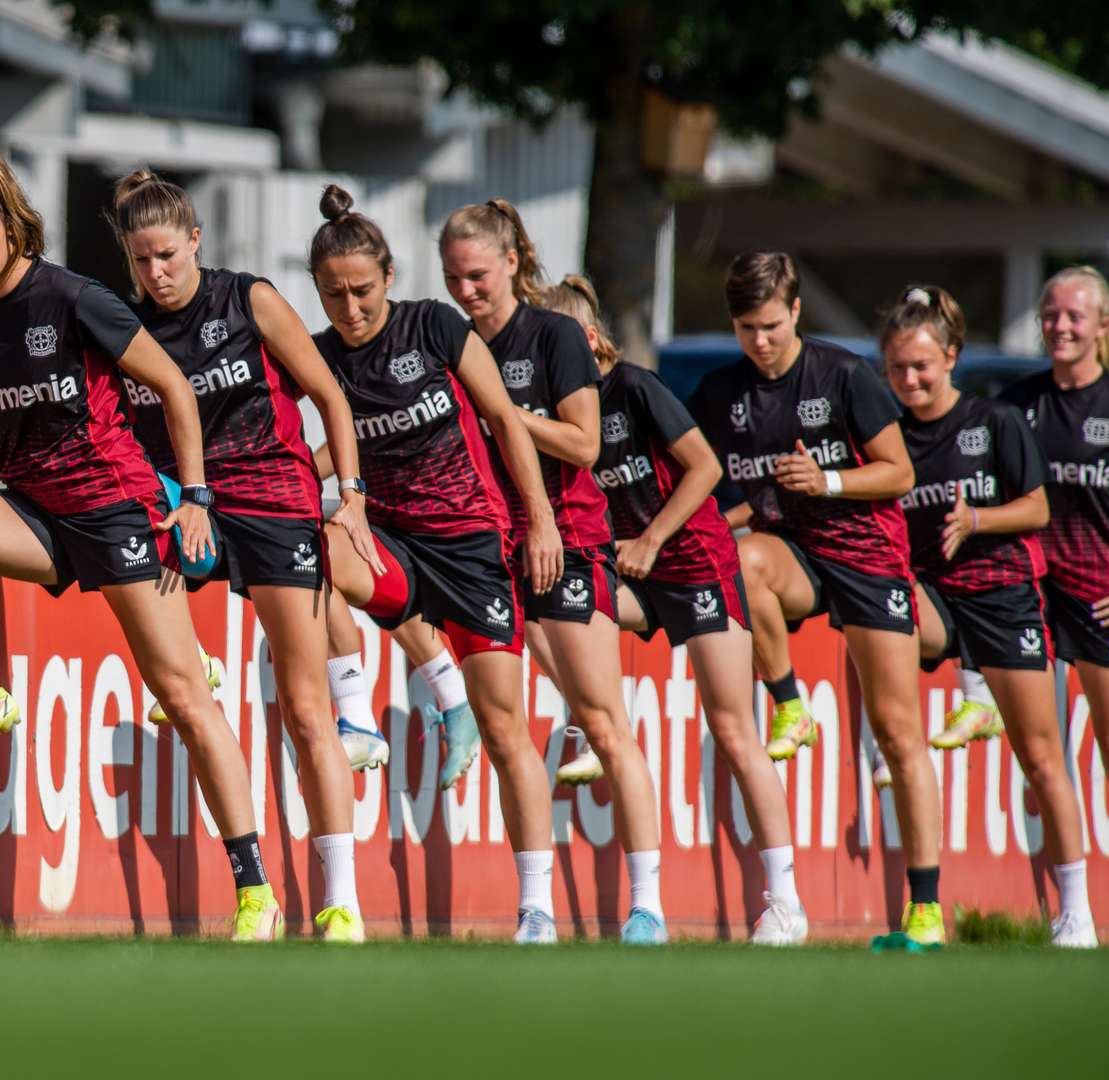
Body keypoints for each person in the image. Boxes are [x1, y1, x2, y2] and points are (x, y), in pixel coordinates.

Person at [0, 146, 287, 940]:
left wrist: (196, 496)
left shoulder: (74, 296)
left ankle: (255, 891)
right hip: (32, 513)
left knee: (184, 697)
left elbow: (173, 387)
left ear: (11, 226)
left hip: (117, 513)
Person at [102, 168, 380, 941]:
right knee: (121, 515)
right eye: (140, 260)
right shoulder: (128, 328)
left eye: (167, 255)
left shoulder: (248, 299)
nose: (156, 273)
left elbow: (330, 396)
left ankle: (341, 902)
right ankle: (194, 655)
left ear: (195, 241)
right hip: (189, 511)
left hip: (275, 504)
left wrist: (351, 494)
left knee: (306, 712)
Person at [302, 185, 579, 944]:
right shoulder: (321, 355)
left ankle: (536, 909)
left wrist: (541, 519)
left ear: (389, 276)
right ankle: (357, 713)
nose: (350, 308)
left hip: (472, 547)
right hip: (390, 539)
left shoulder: (434, 325)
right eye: (332, 295)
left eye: (362, 290)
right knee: (309, 548)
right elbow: (324, 444)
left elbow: (505, 422)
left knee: (505, 729)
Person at [547, 276, 808, 944]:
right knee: (544, 609)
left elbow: (705, 469)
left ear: (591, 342)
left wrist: (652, 539)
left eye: (554, 350)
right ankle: (590, 717)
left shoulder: (634, 387)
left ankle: (785, 902)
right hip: (635, 573)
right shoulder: (559, 414)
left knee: (734, 730)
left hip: (695, 567)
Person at [691, 252, 942, 947]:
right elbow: (688, 469)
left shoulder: (843, 374)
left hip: (868, 558)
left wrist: (828, 481)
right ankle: (790, 703)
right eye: (747, 327)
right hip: (793, 552)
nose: (761, 340)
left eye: (772, 325)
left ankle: (925, 909)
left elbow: (900, 472)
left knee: (898, 732)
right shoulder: (720, 392)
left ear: (796, 311)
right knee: (741, 561)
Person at [437, 199, 670, 943]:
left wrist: (504, 414)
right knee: (506, 730)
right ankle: (535, 909)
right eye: (453, 278)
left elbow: (585, 445)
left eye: (478, 275)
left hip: (566, 539)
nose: (466, 291)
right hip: (488, 548)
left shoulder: (554, 335)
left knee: (603, 721)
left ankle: (648, 907)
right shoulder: (450, 341)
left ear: (512, 263)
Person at [884, 284, 1096, 947]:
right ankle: (888, 746)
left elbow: (1036, 508)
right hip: (933, 598)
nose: (910, 380)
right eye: (897, 368)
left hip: (1002, 597)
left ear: (951, 357)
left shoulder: (995, 420)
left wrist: (975, 519)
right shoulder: (889, 439)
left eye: (922, 366)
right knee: (873, 608)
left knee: (1041, 756)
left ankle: (1076, 912)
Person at [1001, 266, 1109, 831]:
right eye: (1050, 315)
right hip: (1032, 596)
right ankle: (1066, 890)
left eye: (1074, 315)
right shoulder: (1016, 404)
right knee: (1040, 761)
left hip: (1103, 594)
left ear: (1102, 325)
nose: (1060, 326)